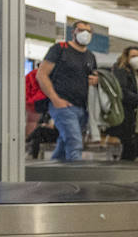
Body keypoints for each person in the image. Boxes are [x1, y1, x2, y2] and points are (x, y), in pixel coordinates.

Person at [36, 20, 99, 162]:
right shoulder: (60, 49)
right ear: (73, 32)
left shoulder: (90, 56)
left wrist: (96, 81)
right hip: (62, 105)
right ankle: (77, 178)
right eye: (81, 30)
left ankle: (51, 176)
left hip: (82, 108)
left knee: (64, 146)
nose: (85, 34)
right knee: (74, 142)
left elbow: (92, 78)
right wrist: (55, 99)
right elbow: (41, 74)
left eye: (88, 31)